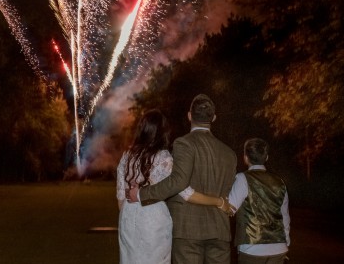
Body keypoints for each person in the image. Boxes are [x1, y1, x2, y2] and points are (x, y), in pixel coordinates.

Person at [127, 94, 237, 264]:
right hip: (220, 229)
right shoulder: (229, 154)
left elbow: (178, 181)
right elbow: (229, 192)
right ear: (213, 118)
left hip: (188, 230)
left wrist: (141, 194)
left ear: (189, 116)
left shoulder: (184, 144)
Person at [188, 138, 291, 264]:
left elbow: (230, 208)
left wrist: (214, 199)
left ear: (246, 158)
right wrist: (286, 242)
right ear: (267, 157)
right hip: (279, 248)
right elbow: (285, 217)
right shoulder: (280, 182)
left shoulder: (243, 179)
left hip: (252, 248)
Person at [116, 109, 187, 264]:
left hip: (128, 214)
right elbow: (179, 187)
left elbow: (121, 197)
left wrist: (130, 214)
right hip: (154, 215)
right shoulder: (164, 158)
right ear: (163, 132)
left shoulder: (127, 156)